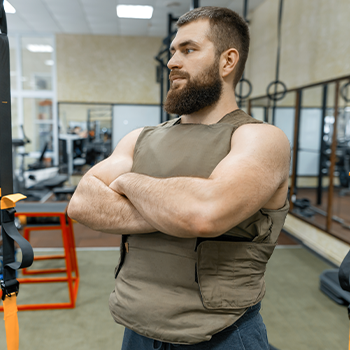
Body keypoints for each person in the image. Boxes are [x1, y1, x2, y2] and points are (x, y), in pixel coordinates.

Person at [67, 6, 291, 350]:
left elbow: (203, 214)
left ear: (227, 61)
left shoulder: (259, 138)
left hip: (222, 335)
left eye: (188, 50)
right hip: (137, 328)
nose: (172, 62)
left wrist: (129, 183)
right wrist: (174, 210)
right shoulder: (140, 137)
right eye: (173, 52)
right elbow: (82, 204)